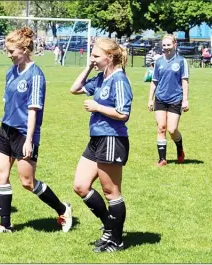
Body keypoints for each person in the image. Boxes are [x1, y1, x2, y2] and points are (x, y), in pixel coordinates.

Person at [0, 27, 72, 235]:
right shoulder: (10, 72)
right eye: (7, 51)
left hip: (24, 133)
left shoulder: (36, 75)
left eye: (11, 51)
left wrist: (29, 140)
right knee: (1, 175)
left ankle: (63, 209)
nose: (9, 55)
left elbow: (33, 110)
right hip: (5, 129)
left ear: (24, 49)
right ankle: (5, 224)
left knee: (27, 182)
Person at [70, 37, 132, 252]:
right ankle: (109, 227)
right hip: (96, 138)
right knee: (80, 185)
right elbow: (75, 88)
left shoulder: (119, 80)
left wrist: (98, 107)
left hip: (113, 139)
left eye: (96, 56)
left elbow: (124, 113)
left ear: (110, 57)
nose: (92, 59)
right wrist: (88, 66)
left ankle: (116, 240)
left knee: (111, 192)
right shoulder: (100, 78)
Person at [148, 34, 189, 167]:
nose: (166, 48)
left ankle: (180, 149)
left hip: (175, 99)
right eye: (164, 45)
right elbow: (154, 81)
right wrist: (150, 99)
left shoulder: (182, 61)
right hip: (160, 98)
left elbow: (185, 81)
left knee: (172, 129)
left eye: (168, 45)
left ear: (175, 45)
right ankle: (162, 159)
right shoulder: (159, 62)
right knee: (161, 128)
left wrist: (185, 100)